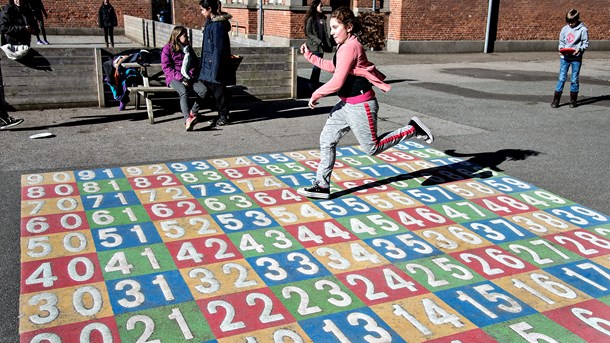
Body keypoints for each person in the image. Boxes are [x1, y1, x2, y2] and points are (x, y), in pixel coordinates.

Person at [297, 7, 434, 199]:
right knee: (326, 139)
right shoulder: (344, 46)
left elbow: (337, 82)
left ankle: (412, 129)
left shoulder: (351, 47)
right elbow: (335, 68)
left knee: (372, 148)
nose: (331, 32)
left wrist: (316, 94)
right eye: (331, 28)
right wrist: (310, 57)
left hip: (361, 106)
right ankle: (322, 185)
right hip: (345, 105)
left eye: (335, 27)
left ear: (349, 27)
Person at [161, 26, 208, 131]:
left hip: (188, 77)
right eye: (185, 35)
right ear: (177, 36)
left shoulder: (188, 49)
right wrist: (182, 79)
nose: (187, 37)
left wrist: (189, 76)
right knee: (183, 91)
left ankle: (193, 113)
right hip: (173, 78)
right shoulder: (167, 48)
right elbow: (166, 68)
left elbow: (194, 64)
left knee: (203, 90)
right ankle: (187, 119)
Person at [198, 0, 232, 127]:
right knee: (213, 92)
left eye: (202, 9)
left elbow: (218, 48)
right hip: (209, 63)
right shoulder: (210, 23)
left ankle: (224, 116)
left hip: (215, 64)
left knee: (219, 91)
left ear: (209, 9)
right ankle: (220, 115)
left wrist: (216, 68)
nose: (201, 12)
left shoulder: (217, 25)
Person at [551, 8, 589, 109]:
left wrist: (580, 49)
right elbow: (561, 42)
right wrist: (561, 49)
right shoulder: (565, 29)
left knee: (574, 79)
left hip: (576, 58)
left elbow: (585, 43)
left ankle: (573, 100)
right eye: (568, 22)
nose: (570, 24)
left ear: (577, 19)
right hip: (565, 57)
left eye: (572, 22)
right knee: (561, 78)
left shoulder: (583, 30)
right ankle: (556, 100)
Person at [304, 0, 333, 90]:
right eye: (321, 6)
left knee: (319, 65)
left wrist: (328, 43)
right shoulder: (311, 19)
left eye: (322, 6)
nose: (322, 8)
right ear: (315, 6)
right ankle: (312, 84)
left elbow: (325, 32)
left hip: (321, 46)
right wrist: (318, 41)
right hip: (314, 45)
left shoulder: (322, 18)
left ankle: (314, 83)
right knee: (317, 65)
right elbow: (308, 32)